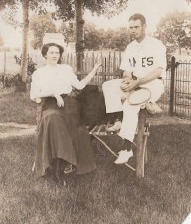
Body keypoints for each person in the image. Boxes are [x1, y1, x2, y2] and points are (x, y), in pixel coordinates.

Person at [30, 42, 101, 184]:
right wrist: (54, 94)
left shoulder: (66, 69)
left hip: (68, 104)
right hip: (50, 104)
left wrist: (94, 70)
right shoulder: (39, 73)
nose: (55, 55)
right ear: (45, 55)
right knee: (53, 118)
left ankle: (63, 165)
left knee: (73, 126)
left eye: (57, 53)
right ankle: (58, 168)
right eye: (51, 52)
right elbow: (33, 95)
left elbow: (79, 86)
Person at [102, 13, 166, 164]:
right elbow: (126, 69)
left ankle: (126, 149)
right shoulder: (130, 47)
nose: (133, 30)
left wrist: (137, 83)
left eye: (136, 27)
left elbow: (158, 71)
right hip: (136, 83)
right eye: (130, 27)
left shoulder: (156, 44)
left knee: (131, 104)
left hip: (153, 83)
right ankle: (118, 120)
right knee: (109, 86)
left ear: (144, 27)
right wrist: (127, 80)